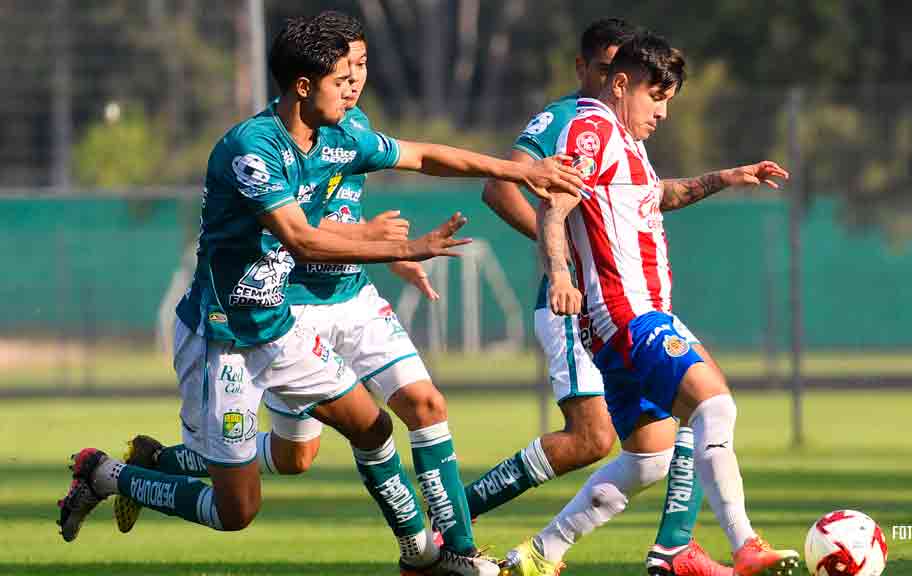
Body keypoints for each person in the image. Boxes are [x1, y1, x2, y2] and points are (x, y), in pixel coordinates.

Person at [58, 12, 582, 576]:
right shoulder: (251, 149)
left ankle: (429, 557)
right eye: (342, 77)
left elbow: (424, 155)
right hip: (222, 341)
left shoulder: (343, 131)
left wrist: (517, 170)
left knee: (373, 425)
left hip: (280, 328)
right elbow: (303, 242)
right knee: (237, 510)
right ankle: (107, 474)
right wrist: (401, 251)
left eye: (358, 69)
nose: (353, 86)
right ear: (304, 87)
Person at [505, 32, 799, 576]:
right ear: (621, 83)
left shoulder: (625, 140)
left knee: (648, 458)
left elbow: (658, 194)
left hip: (618, 324)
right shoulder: (593, 128)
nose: (663, 112)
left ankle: (541, 553)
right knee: (714, 405)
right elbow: (555, 206)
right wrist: (560, 274)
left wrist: (726, 178)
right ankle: (732, 545)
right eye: (656, 97)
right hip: (628, 313)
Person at [476, 18, 729, 576]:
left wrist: (722, 177)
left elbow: (646, 198)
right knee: (595, 438)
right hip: (585, 302)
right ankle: (456, 522)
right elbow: (501, 185)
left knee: (678, 424)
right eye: (608, 68)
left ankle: (659, 547)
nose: (620, 80)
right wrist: (565, 256)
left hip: (624, 300)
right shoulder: (569, 119)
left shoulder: (626, 135)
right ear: (589, 70)